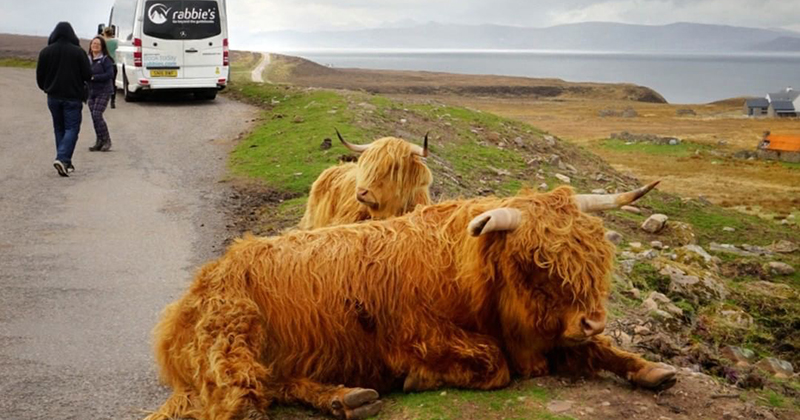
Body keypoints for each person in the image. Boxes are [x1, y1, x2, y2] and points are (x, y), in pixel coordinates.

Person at [36, 22, 92, 177]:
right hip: (73, 97)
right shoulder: (78, 52)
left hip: (53, 97)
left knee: (59, 128)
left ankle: (65, 161)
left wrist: (47, 88)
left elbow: (40, 78)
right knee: (72, 128)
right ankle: (62, 158)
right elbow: (88, 75)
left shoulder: (45, 52)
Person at [87, 36, 115, 152]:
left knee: (97, 114)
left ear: (102, 46)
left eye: (98, 44)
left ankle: (107, 140)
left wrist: (94, 78)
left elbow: (110, 74)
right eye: (94, 44)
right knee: (94, 117)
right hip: (91, 91)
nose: (95, 46)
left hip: (104, 91)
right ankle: (99, 140)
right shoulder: (87, 59)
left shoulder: (105, 59)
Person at [102, 27, 118, 109]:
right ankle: (113, 101)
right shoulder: (115, 42)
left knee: (103, 82)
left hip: (103, 63)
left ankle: (103, 99)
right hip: (113, 63)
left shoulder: (102, 41)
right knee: (113, 82)